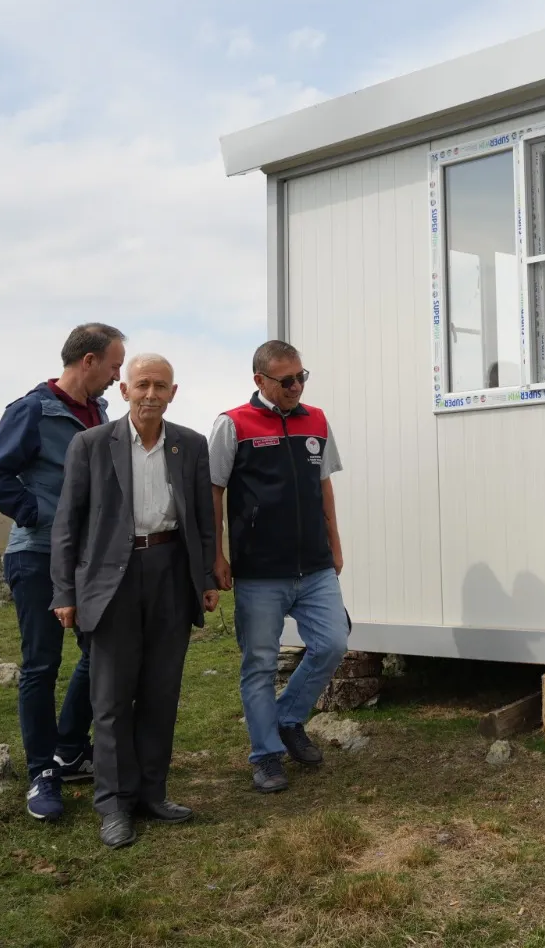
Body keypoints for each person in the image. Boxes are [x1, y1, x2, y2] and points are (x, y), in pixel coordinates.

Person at [51, 353, 218, 849]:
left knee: (161, 692)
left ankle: (152, 793)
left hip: (170, 573)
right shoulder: (91, 444)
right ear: (123, 391)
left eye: (160, 386)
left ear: (172, 393)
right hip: (109, 582)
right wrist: (64, 591)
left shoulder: (189, 444)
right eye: (142, 384)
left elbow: (206, 521)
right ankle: (115, 805)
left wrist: (206, 575)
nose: (151, 394)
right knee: (110, 699)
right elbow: (67, 523)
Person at [0, 323, 125, 820]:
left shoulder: (100, 412)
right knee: (41, 663)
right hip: (38, 554)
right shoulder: (31, 410)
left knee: (100, 650)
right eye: (113, 365)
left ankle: (68, 748)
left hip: (91, 559)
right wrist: (41, 514)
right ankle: (42, 771)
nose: (117, 375)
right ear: (88, 361)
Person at [209, 340, 348, 795]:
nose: (296, 387)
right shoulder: (233, 425)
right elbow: (214, 492)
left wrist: (335, 542)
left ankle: (288, 719)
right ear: (260, 381)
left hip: (315, 566)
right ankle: (265, 755)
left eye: (301, 377)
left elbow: (323, 485)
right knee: (260, 664)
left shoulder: (318, 420)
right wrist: (217, 554)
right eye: (286, 380)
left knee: (332, 643)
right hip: (259, 571)